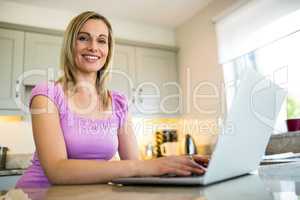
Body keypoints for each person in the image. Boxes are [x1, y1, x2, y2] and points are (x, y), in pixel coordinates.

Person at [16, 11, 208, 188]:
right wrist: (142, 167)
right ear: (70, 44)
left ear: (108, 49)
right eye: (83, 38)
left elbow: (135, 165)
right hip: (38, 193)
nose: (93, 47)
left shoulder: (118, 103)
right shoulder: (47, 94)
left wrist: (178, 164)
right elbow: (57, 171)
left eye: (102, 41)